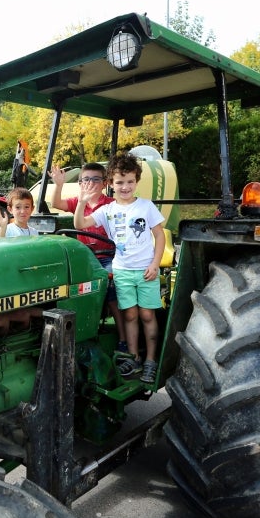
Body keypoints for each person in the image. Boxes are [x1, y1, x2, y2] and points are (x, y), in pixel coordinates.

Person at [74, 153, 165, 384]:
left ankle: (151, 361)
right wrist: (83, 201)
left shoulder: (146, 206)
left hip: (146, 270)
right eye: (120, 182)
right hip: (123, 270)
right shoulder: (107, 210)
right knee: (130, 314)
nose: (125, 187)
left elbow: (159, 236)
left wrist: (155, 264)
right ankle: (132, 357)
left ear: (136, 181)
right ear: (111, 184)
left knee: (146, 314)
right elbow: (80, 224)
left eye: (130, 181)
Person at [49, 162, 127, 352]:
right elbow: (56, 204)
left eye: (95, 179)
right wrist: (58, 184)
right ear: (80, 183)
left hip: (108, 256)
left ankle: (123, 339)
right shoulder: (77, 202)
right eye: (86, 179)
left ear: (104, 183)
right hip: (85, 257)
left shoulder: (111, 204)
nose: (90, 183)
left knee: (109, 288)